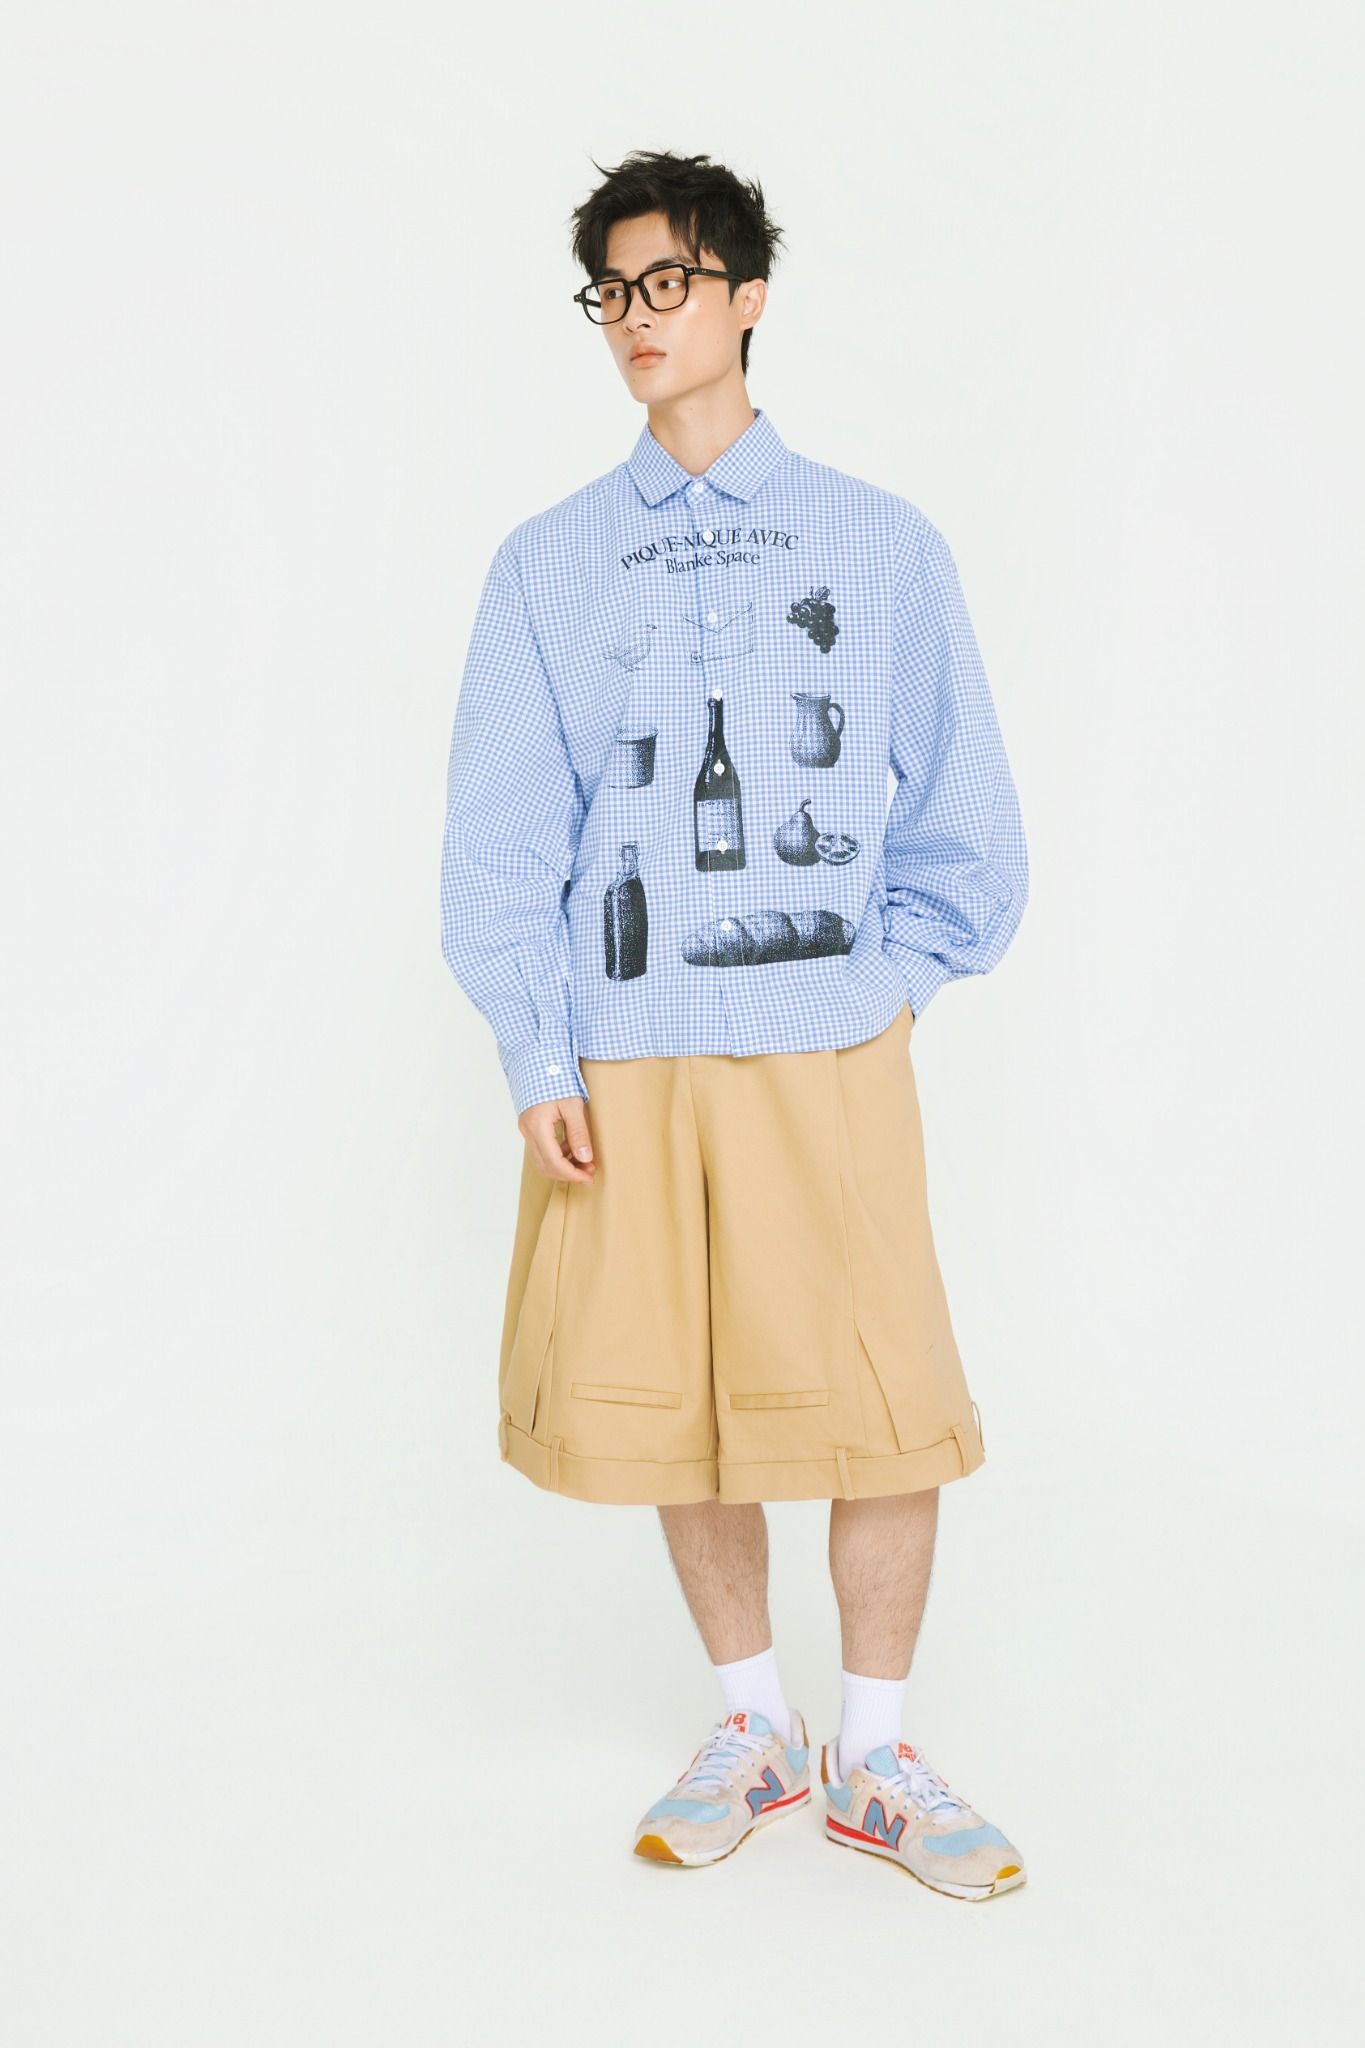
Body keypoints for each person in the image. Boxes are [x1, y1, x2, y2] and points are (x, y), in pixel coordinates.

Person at [440, 150, 1030, 1899]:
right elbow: (501, 836)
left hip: (823, 1045)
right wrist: (536, 1050)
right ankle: (755, 1724)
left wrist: (886, 986)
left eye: (670, 282)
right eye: (612, 292)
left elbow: (966, 822)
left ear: (746, 296)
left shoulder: (879, 542)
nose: (638, 318)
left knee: (881, 1396)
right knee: (680, 1400)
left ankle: (878, 1753)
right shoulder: (546, 566)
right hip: (623, 1053)